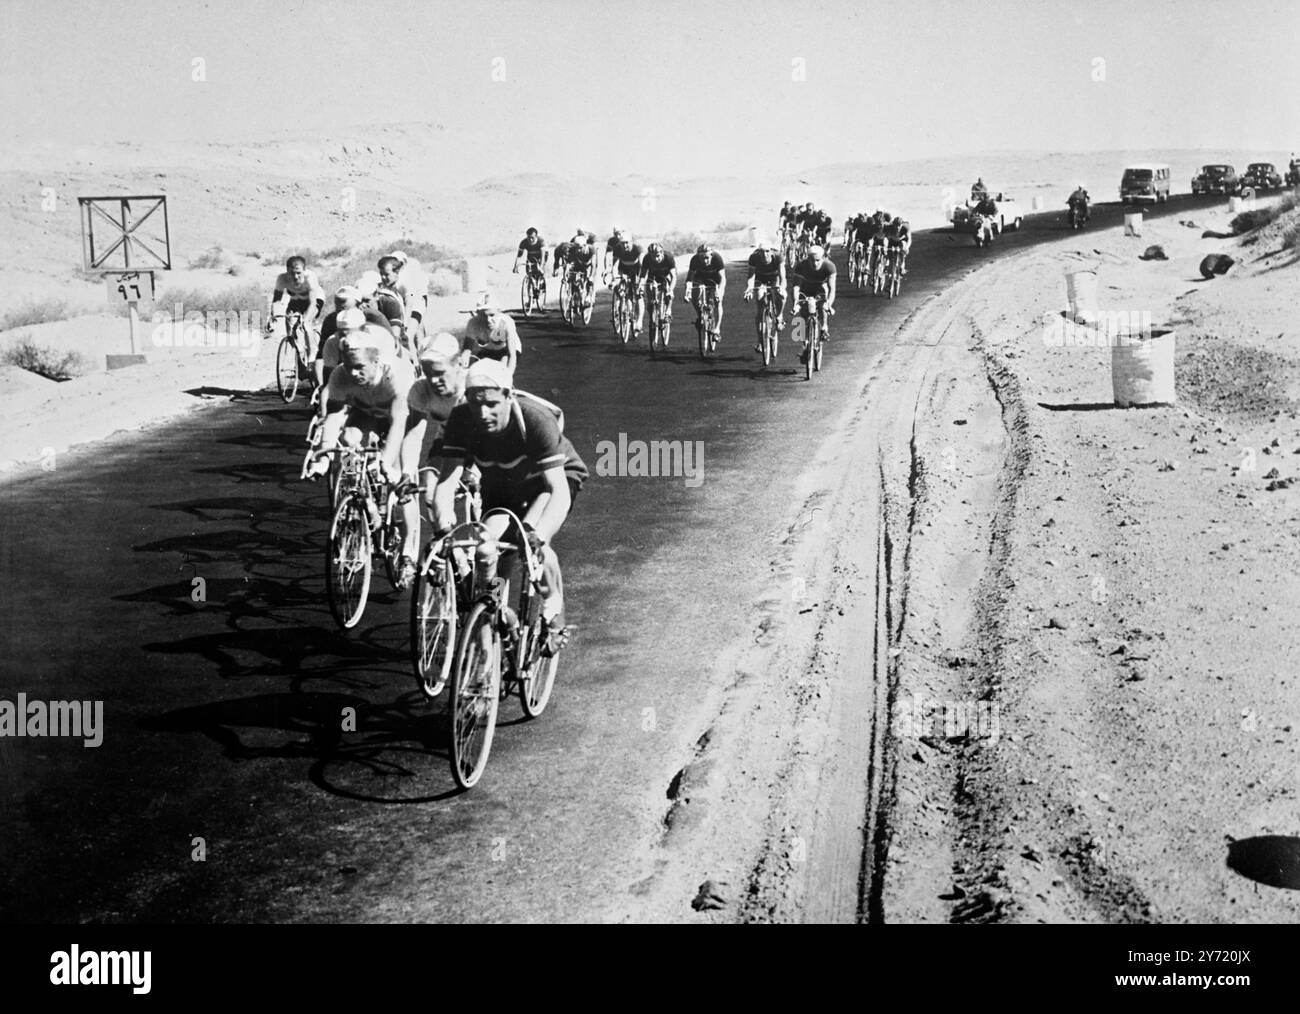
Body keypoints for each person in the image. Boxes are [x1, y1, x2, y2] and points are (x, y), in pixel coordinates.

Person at [429, 359, 589, 652]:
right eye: (475, 404)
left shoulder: (534, 419)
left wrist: (538, 536)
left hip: (549, 483)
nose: (483, 413)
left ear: (508, 396)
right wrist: (443, 526)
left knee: (531, 544)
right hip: (503, 484)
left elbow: (559, 493)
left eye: (491, 404)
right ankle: (498, 615)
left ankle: (554, 611)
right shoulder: (461, 419)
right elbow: (446, 482)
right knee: (487, 551)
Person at [305, 325, 421, 587]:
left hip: (400, 419)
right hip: (367, 413)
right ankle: (359, 497)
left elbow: (399, 424)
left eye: (360, 367)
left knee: (400, 481)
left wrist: (386, 462)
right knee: (347, 441)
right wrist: (323, 456)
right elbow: (334, 416)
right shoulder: (340, 374)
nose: (353, 373)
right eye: (348, 366)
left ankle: (408, 552)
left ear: (376, 360)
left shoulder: (396, 374)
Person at [268, 256, 326, 356]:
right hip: (296, 299)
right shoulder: (282, 279)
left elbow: (312, 303)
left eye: (298, 273)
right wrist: (272, 317)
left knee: (306, 324)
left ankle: (312, 356)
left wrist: (306, 318)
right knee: (289, 326)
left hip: (314, 299)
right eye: (291, 273)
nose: (295, 276)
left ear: (304, 270)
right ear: (287, 271)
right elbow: (276, 300)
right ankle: (299, 350)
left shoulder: (310, 278)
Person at [461, 290, 522, 376]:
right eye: (483, 316)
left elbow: (512, 356)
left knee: (501, 371)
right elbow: (466, 350)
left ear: (499, 311)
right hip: (488, 350)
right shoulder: (473, 323)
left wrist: (508, 378)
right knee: (478, 373)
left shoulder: (507, 323)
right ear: (478, 314)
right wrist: (464, 363)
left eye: (492, 315)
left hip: (506, 350)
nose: (488, 320)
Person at [790, 244, 836, 348]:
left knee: (823, 306)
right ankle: (804, 341)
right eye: (811, 260)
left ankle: (824, 326)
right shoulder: (801, 266)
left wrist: (828, 304)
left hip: (821, 289)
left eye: (817, 260)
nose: (814, 263)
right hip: (806, 288)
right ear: (807, 259)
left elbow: (832, 289)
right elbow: (796, 286)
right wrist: (795, 303)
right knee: (802, 313)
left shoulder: (829, 266)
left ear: (823, 258)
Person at [744, 238, 786, 352]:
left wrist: (782, 288)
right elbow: (751, 277)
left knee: (780, 294)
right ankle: (760, 341)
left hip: (774, 278)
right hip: (760, 279)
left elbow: (783, 278)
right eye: (761, 252)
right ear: (758, 252)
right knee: (760, 305)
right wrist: (749, 288)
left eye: (767, 251)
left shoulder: (778, 256)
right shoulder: (754, 257)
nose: (764, 254)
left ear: (771, 251)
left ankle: (779, 316)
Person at [683, 241, 727, 341]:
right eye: (702, 258)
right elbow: (689, 278)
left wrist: (719, 292)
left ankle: (717, 329)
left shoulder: (717, 258)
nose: (704, 260)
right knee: (695, 297)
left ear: (711, 255)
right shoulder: (694, 260)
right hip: (700, 279)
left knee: (718, 302)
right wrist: (687, 291)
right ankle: (700, 315)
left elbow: (723, 278)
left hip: (715, 280)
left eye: (707, 258)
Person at [639, 241, 677, 345]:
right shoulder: (647, 258)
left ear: (662, 253)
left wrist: (670, 290)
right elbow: (643, 275)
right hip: (653, 278)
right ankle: (653, 316)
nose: (656, 259)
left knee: (668, 291)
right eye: (653, 256)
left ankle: (668, 310)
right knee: (650, 302)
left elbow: (674, 276)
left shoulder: (668, 257)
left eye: (658, 256)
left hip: (666, 277)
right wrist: (640, 287)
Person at [610, 232, 645, 337]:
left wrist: (640, 282)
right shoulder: (617, 248)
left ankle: (639, 322)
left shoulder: (638, 248)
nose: (625, 246)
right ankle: (619, 305)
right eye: (622, 243)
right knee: (617, 285)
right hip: (623, 268)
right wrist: (614, 279)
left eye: (627, 243)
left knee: (639, 295)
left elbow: (643, 267)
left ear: (631, 242)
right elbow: (615, 266)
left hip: (636, 269)